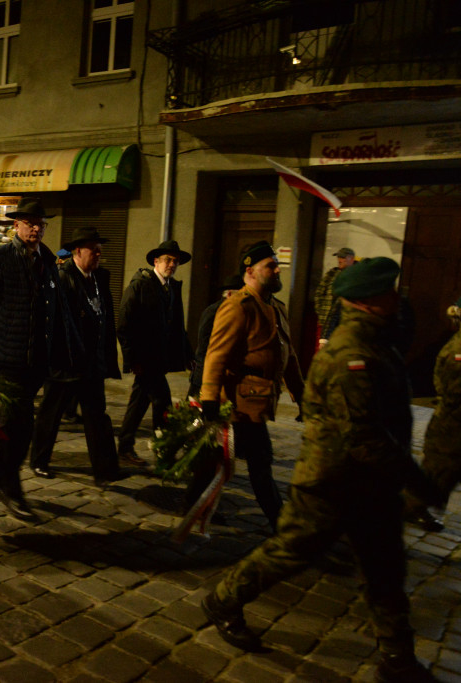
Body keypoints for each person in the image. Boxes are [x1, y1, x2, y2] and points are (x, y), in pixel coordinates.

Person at [201, 257, 436, 683]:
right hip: (332, 482)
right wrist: (418, 478)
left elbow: (291, 360)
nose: (395, 299)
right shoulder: (350, 356)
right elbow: (363, 436)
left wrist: (298, 391)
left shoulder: (376, 345)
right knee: (289, 553)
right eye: (387, 293)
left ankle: (398, 660)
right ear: (365, 302)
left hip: (370, 485)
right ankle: (223, 599)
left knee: (385, 570)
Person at [0, 197, 75, 522]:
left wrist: (70, 350)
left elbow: (59, 310)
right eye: (30, 223)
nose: (36, 228)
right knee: (21, 427)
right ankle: (10, 486)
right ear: (16, 226)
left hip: (37, 359)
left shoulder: (47, 261)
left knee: (12, 424)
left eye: (41, 224)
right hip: (6, 355)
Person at [192, 241, 305, 532]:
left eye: (277, 265)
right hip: (237, 403)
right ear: (250, 270)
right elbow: (216, 355)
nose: (277, 270)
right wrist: (209, 401)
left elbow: (288, 356)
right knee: (259, 462)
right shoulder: (238, 306)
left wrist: (302, 396)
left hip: (260, 399)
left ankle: (194, 503)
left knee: (218, 463)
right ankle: (279, 521)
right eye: (271, 266)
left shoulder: (276, 308)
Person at [30, 227, 122, 485]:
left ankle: (106, 470)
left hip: (91, 362)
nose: (98, 254)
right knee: (51, 413)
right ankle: (39, 460)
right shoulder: (61, 276)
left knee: (97, 416)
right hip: (65, 361)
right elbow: (52, 322)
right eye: (94, 250)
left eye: (100, 250)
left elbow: (105, 318)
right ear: (77, 251)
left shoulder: (99, 278)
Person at [115, 240, 194, 466]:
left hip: (160, 358)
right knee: (162, 401)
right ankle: (163, 449)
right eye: (168, 260)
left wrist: (188, 354)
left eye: (175, 261)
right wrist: (132, 359)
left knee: (140, 401)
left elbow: (178, 326)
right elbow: (124, 324)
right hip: (146, 358)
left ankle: (129, 446)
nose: (172, 264)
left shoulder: (171, 288)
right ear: (156, 262)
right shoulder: (140, 285)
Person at [403, 298, 461, 530]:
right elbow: (453, 391)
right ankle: (411, 507)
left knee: (446, 471)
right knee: (439, 469)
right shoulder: (458, 350)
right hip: (452, 423)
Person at [187, 274, 244, 398]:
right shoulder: (214, 311)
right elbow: (204, 345)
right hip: (205, 374)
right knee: (194, 412)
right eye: (240, 295)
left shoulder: (237, 313)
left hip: (218, 375)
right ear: (229, 294)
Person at [313, 246, 355, 345]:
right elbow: (319, 293)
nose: (339, 259)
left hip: (343, 323)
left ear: (351, 259)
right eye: (339, 256)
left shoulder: (356, 275)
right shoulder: (332, 274)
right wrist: (321, 312)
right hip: (326, 321)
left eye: (343, 257)